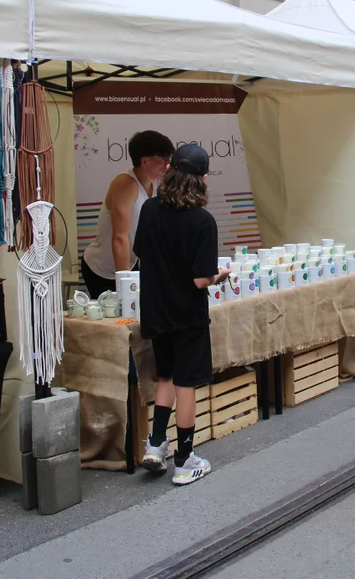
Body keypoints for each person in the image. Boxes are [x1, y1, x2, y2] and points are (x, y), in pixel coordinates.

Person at [135, 144, 229, 485]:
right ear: (203, 179)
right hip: (188, 313)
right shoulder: (203, 221)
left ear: (171, 170)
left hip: (156, 309)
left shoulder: (148, 210)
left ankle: (156, 443)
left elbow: (141, 256)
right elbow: (201, 279)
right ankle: (185, 459)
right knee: (185, 383)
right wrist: (222, 274)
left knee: (165, 377)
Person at [81, 131, 174, 296]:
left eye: (169, 158)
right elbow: (119, 237)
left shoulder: (157, 183)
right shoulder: (125, 184)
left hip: (132, 263)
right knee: (118, 318)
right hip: (103, 268)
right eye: (162, 159)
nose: (168, 165)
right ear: (145, 160)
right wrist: (125, 284)